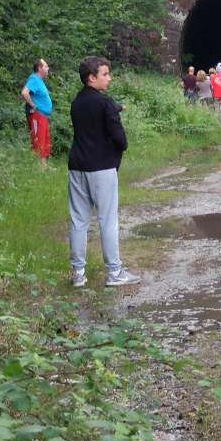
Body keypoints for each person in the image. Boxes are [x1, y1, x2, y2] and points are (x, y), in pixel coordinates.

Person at [68, 56, 140, 288]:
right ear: (92, 77)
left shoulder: (76, 102)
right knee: (107, 221)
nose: (109, 78)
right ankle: (114, 272)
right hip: (102, 168)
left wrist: (115, 108)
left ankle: (78, 274)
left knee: (78, 220)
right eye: (105, 74)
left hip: (77, 165)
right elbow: (120, 139)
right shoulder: (105, 103)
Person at [20, 58, 53, 167]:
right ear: (39, 68)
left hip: (42, 115)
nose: (48, 68)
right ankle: (39, 168)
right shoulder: (34, 79)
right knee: (38, 140)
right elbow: (24, 93)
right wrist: (33, 105)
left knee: (44, 139)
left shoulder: (39, 81)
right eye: (46, 66)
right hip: (37, 115)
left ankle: (44, 166)